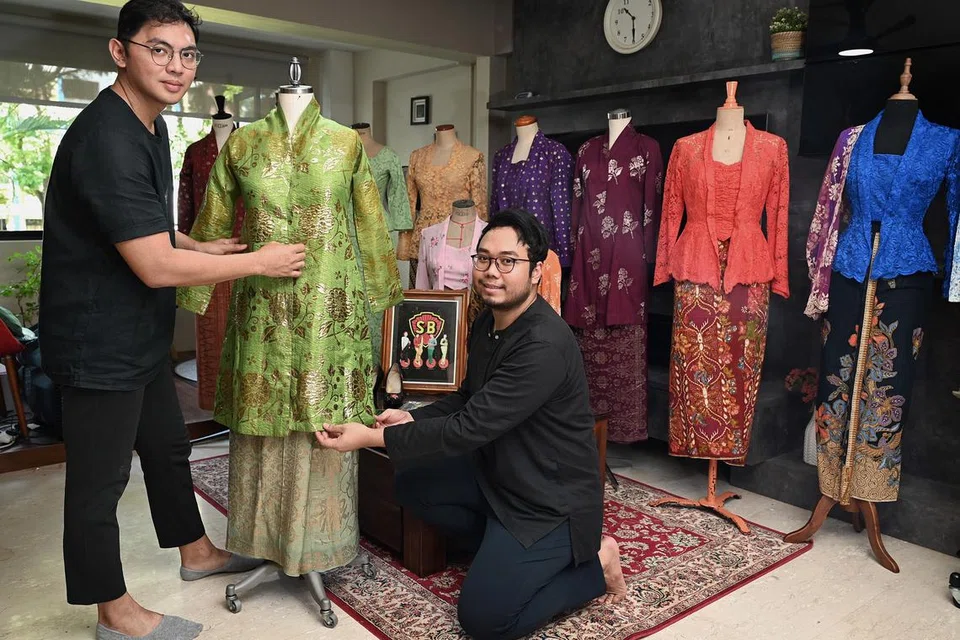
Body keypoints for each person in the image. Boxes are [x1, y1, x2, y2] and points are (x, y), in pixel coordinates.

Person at [39, 1, 306, 638]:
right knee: (98, 485)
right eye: (158, 49)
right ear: (119, 51)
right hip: (96, 339)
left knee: (166, 448)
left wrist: (197, 245)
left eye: (187, 54)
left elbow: (147, 231)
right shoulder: (106, 138)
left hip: (138, 331)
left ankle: (195, 551)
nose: (176, 66)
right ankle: (114, 611)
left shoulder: (151, 126)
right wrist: (260, 263)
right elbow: (153, 267)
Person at [316, 208, 626, 640]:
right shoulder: (488, 321)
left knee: (484, 621)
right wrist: (411, 416)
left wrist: (372, 436)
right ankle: (500, 550)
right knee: (412, 482)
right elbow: (467, 398)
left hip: (548, 503)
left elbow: (467, 428)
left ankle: (596, 563)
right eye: (483, 259)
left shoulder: (544, 344)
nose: (492, 272)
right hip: (497, 474)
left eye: (507, 261)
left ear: (536, 271)